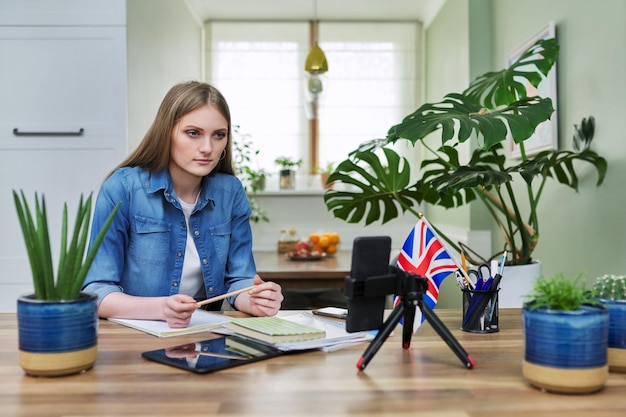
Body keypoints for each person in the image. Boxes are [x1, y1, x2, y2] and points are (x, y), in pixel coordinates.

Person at [82, 81, 283, 327]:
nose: (208, 148)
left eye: (219, 135)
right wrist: (161, 308)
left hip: (204, 333)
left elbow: (239, 278)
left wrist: (254, 300)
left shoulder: (230, 192)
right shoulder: (123, 188)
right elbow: (98, 292)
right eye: (193, 133)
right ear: (167, 132)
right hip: (135, 336)